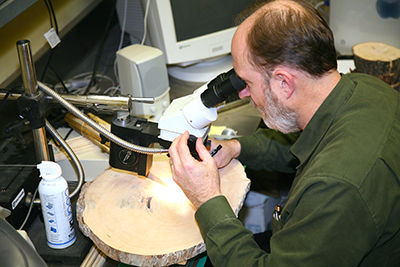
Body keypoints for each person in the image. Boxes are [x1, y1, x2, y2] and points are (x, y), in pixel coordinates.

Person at [168, 0, 400, 266]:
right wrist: (237, 148)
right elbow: (309, 143)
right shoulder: (366, 87)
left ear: (283, 83)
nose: (243, 94)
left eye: (247, 82)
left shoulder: (336, 186)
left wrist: (207, 198)